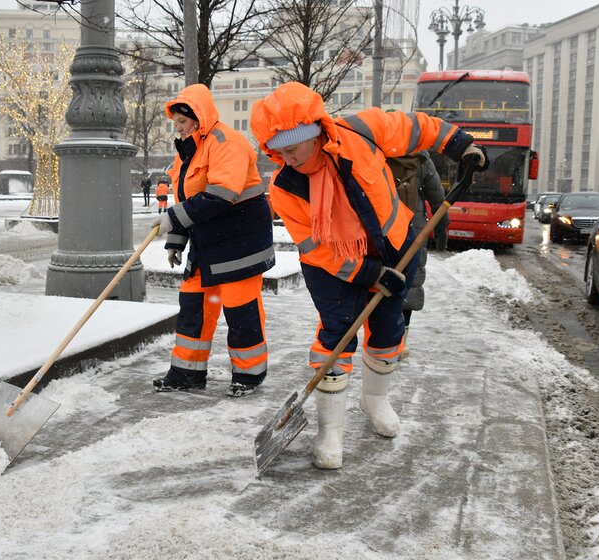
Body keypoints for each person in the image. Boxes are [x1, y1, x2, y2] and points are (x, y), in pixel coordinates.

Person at [249, 82, 486, 468]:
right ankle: (331, 430)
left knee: (390, 331)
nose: (287, 158)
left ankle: (375, 399)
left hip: (397, 246)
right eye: (278, 152)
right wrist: (369, 273)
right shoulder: (285, 187)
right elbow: (316, 248)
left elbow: (416, 128)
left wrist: (460, 144)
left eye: (292, 148)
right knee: (337, 336)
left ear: (315, 133)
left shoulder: (361, 131)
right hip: (334, 270)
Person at [152, 83, 275, 397]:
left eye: (182, 121)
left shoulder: (226, 142)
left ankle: (248, 376)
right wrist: (176, 242)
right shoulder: (186, 155)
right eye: (175, 123)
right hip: (207, 243)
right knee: (192, 303)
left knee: (240, 309)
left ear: (199, 117)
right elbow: (183, 200)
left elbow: (221, 195)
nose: (177, 128)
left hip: (240, 241)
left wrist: (174, 220)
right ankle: (186, 373)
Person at [399, 151, 449, 361]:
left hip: (384, 224)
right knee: (409, 284)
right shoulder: (421, 157)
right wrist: (441, 234)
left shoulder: (376, 149)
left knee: (384, 280)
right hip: (413, 228)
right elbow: (438, 198)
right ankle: (399, 343)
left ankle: (380, 339)